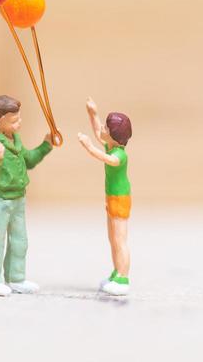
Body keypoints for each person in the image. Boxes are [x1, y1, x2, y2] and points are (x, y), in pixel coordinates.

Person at [0, 94, 57, 296]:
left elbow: (29, 160)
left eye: (18, 119)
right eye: (14, 120)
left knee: (20, 240)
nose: (19, 123)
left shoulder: (16, 140)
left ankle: (16, 277)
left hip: (18, 199)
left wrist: (46, 145)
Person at [77, 97, 131, 296]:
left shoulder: (119, 155)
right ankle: (116, 272)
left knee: (119, 240)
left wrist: (88, 146)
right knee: (113, 239)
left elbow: (104, 157)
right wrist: (93, 113)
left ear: (115, 136)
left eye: (108, 129)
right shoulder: (112, 145)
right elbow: (99, 132)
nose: (103, 131)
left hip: (120, 198)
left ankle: (123, 277)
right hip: (112, 197)